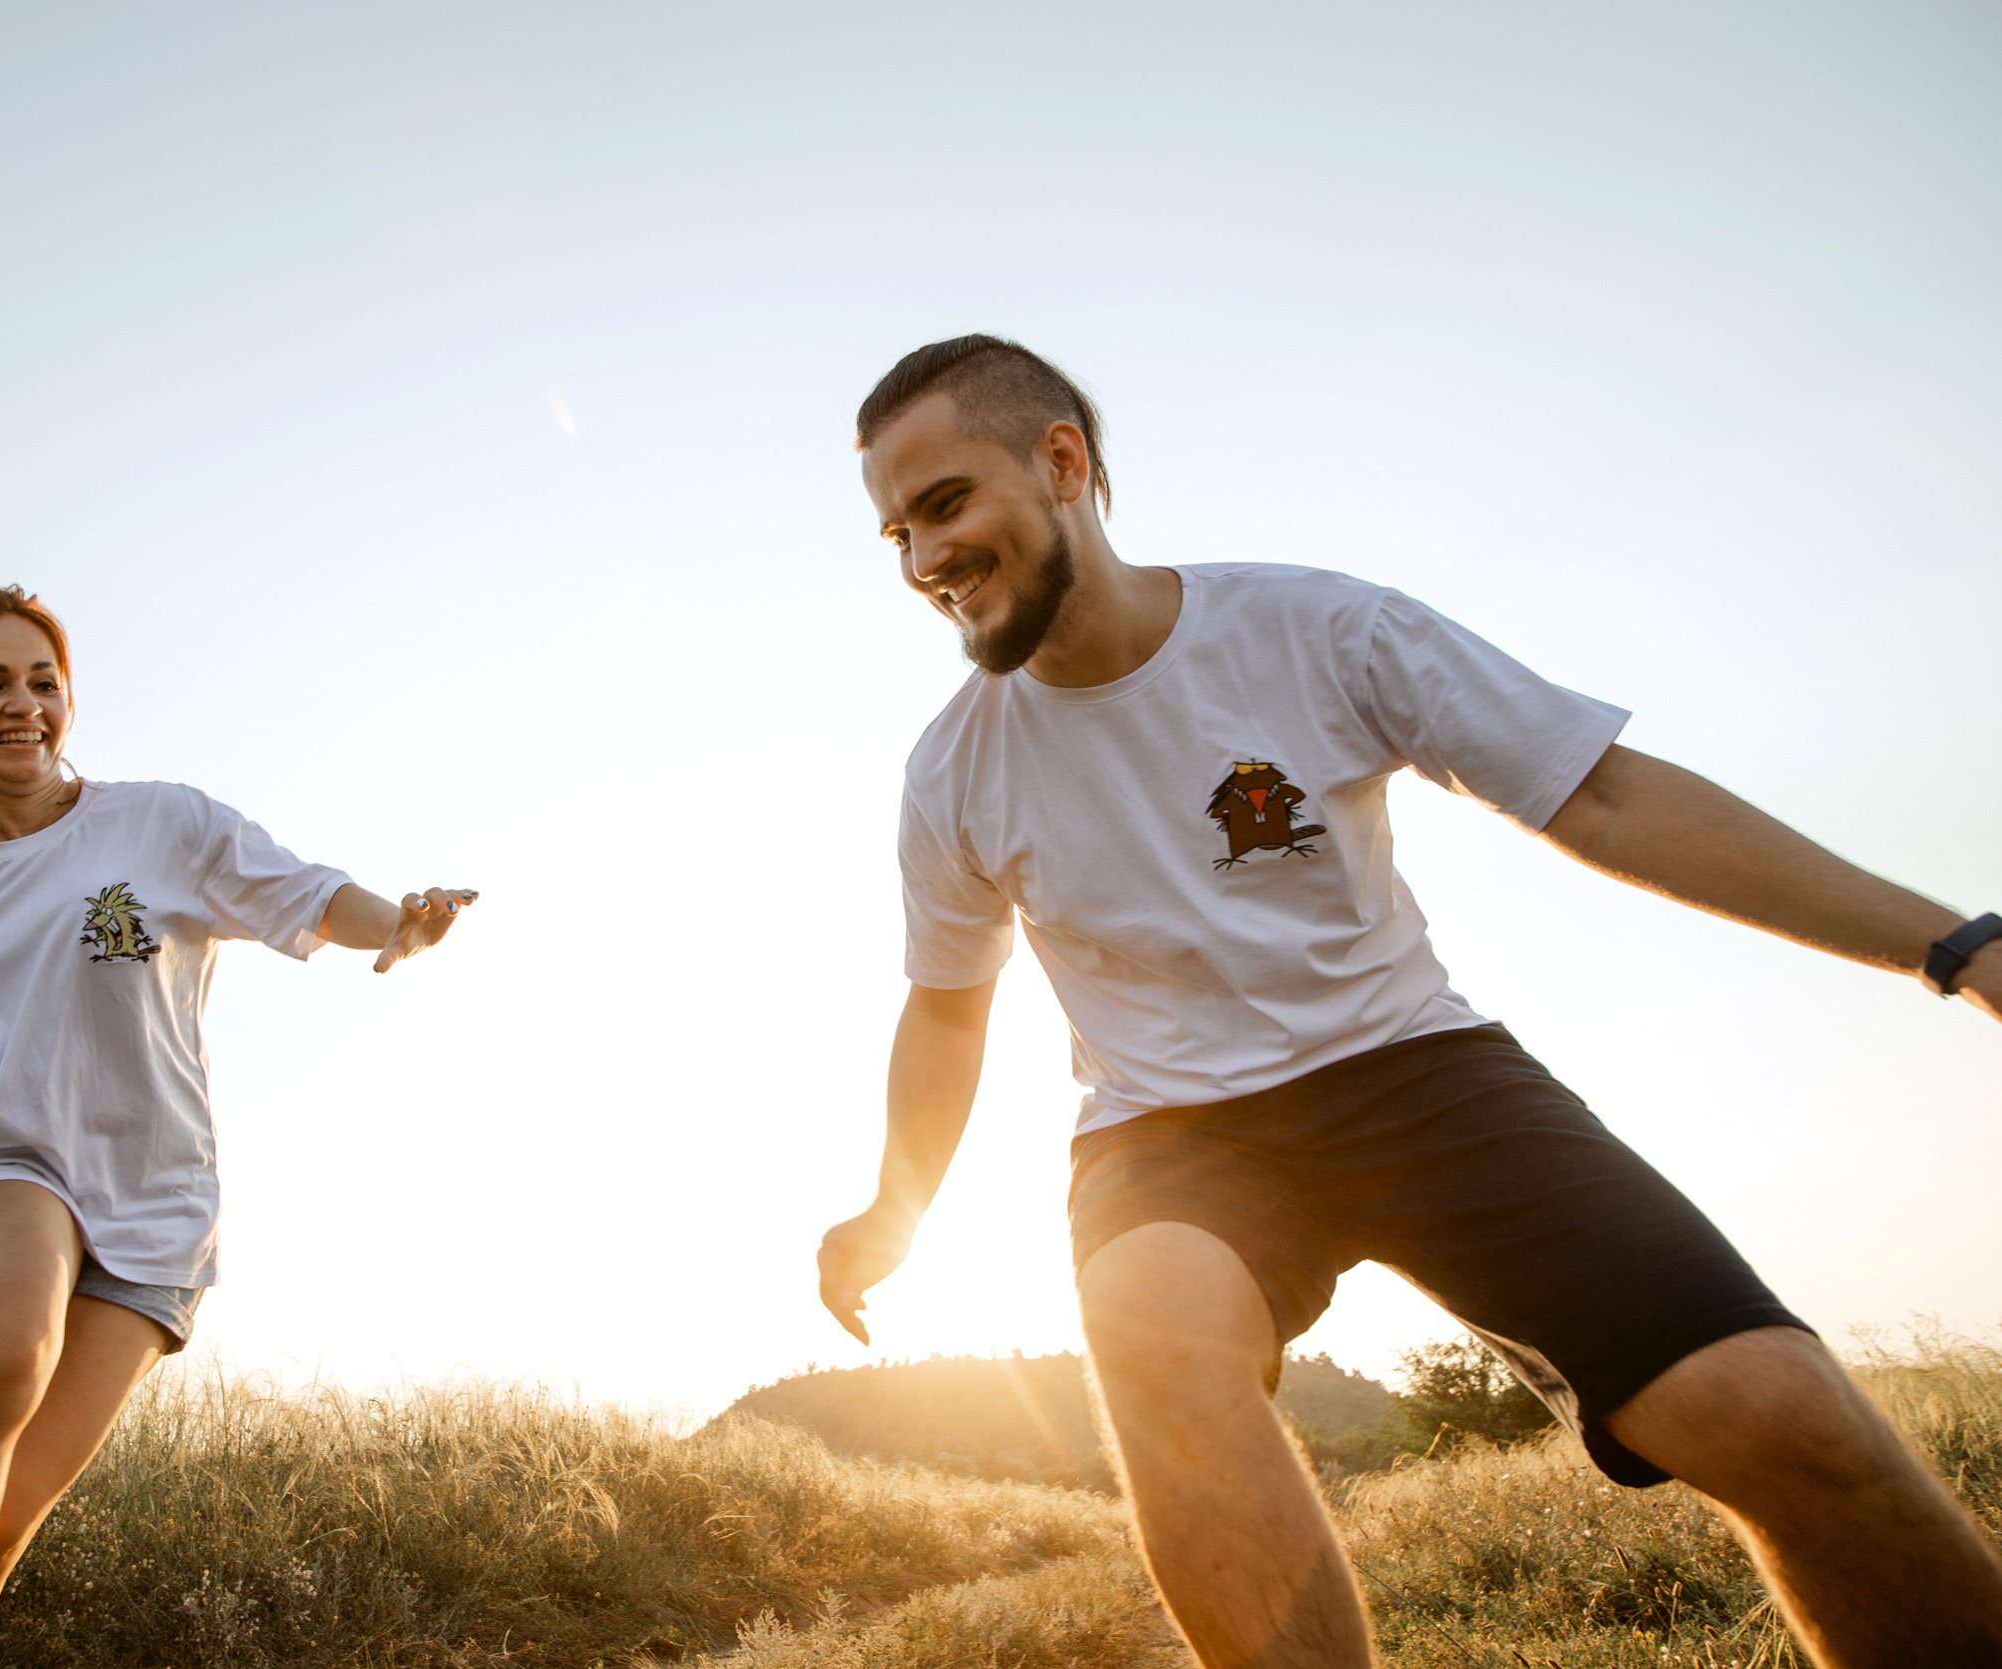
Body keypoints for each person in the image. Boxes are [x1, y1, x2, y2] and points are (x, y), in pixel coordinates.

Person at [814, 334, 2002, 1668]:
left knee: (1782, 1416)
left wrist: (1956, 945)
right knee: (1155, 1336)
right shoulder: (952, 775)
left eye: (947, 504)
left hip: (1420, 1074)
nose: (924, 560)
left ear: (1062, 462)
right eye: (898, 533)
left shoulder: (1320, 632)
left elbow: (1604, 797)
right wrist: (893, 1208)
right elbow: (947, 1008)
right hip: (1172, 1134)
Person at [0, 581, 478, 1669]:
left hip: (156, 1210)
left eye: (44, 682)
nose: (24, 704)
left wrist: (400, 924)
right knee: (4, 1347)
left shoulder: (160, 823)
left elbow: (306, 893)